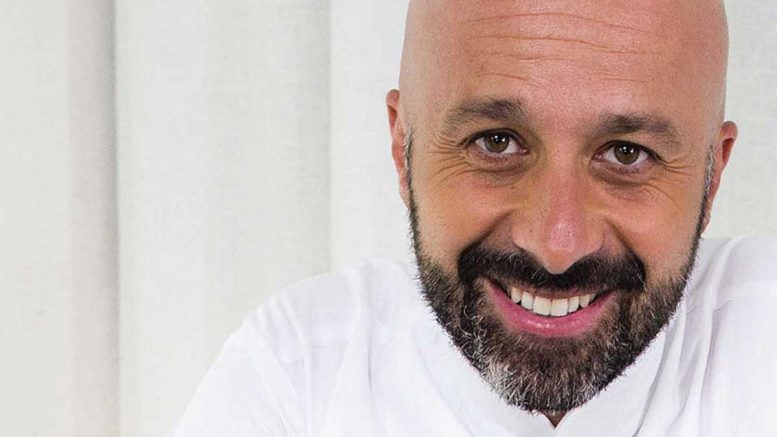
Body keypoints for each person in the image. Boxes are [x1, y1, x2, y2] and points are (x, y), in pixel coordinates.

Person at [168, 0, 777, 435]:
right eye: (496, 143)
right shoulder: (298, 376)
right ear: (402, 148)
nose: (557, 244)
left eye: (626, 154)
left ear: (712, 176)